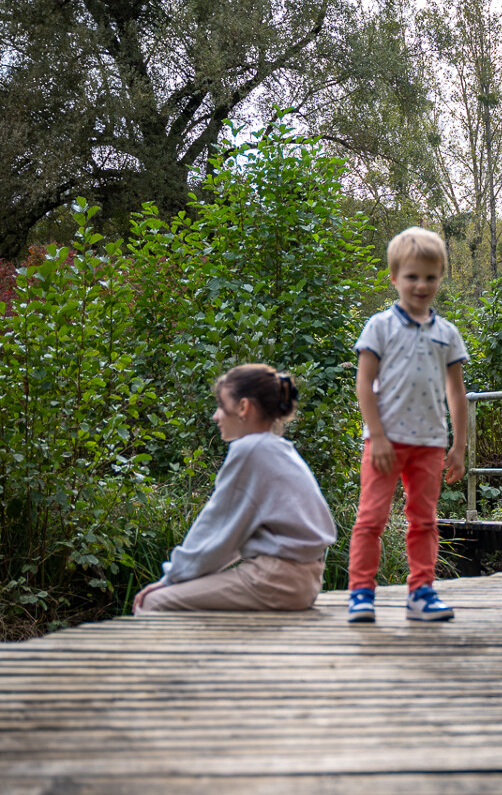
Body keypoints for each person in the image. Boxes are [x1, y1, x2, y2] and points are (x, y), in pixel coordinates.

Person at [133, 364, 336, 613]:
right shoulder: (280, 448)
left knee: (154, 602)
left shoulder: (249, 449)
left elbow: (215, 530)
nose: (215, 416)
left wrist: (169, 579)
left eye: (220, 405)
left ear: (243, 407)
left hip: (274, 581)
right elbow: (229, 537)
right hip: (305, 581)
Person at [347, 226, 468, 624]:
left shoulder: (447, 334)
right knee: (371, 518)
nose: (421, 284)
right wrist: (377, 435)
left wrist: (459, 445)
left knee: (425, 520)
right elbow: (364, 383)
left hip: (429, 443)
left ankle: (421, 592)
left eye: (430, 277)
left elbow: (456, 393)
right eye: (412, 276)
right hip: (385, 442)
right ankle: (361, 594)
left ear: (440, 278)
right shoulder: (380, 326)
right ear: (394, 277)